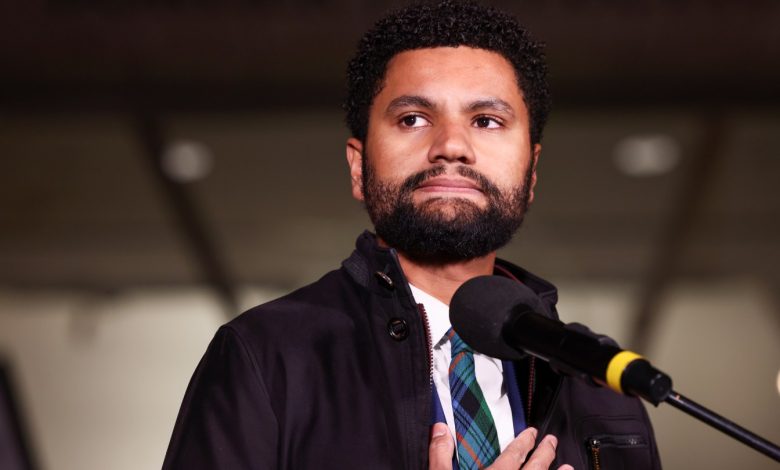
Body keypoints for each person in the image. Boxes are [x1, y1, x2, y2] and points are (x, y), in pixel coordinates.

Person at [162, 1, 661, 469]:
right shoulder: (265, 357)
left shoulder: (599, 381)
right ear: (359, 167)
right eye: (413, 119)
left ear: (531, 173)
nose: (450, 146)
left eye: (486, 120)